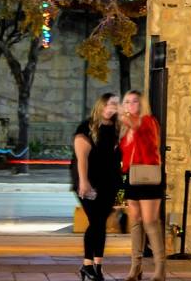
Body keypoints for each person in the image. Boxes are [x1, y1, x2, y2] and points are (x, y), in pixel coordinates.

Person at [71, 94, 121, 281]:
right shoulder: (87, 127)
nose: (111, 107)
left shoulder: (118, 128)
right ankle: (87, 265)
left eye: (115, 104)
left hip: (110, 182)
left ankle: (97, 266)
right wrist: (83, 181)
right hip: (88, 181)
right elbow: (81, 158)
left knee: (100, 224)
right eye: (108, 104)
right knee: (97, 222)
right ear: (100, 105)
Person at [118, 90, 166, 280]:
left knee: (150, 222)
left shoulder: (148, 121)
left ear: (142, 104)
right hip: (132, 176)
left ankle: (160, 268)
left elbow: (136, 125)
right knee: (135, 221)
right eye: (127, 102)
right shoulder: (125, 129)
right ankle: (135, 267)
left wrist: (120, 112)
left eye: (134, 102)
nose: (130, 105)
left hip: (148, 176)